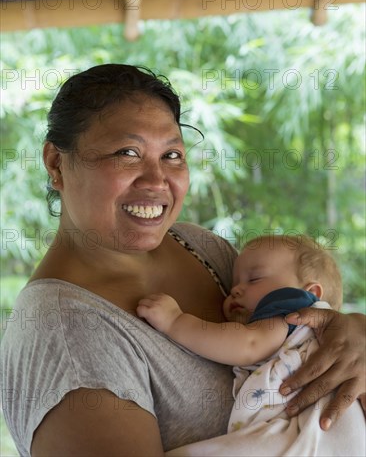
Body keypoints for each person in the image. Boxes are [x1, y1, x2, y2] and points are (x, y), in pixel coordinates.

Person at [0, 64, 365, 457]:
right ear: (56, 164)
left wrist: (351, 331)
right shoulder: (66, 337)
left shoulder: (198, 245)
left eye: (172, 154)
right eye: (128, 153)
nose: (157, 181)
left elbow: (303, 329)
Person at [137, 234, 366, 456]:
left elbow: (249, 344)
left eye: (254, 279)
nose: (235, 289)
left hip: (324, 429)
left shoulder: (295, 308)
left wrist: (176, 321)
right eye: (233, 284)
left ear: (310, 292)